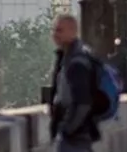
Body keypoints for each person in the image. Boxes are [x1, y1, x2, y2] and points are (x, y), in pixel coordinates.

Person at [48, 14, 99, 152]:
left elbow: (84, 103)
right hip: (78, 135)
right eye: (54, 30)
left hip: (75, 138)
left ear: (72, 31)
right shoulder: (69, 56)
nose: (54, 34)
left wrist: (68, 129)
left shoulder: (77, 62)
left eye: (59, 30)